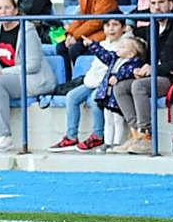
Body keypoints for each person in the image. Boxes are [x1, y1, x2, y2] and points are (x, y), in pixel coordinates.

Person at [110, 0, 173, 154]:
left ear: (171, 4)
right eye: (153, 3)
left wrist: (155, 69)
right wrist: (139, 70)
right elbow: (148, 59)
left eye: (161, 2)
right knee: (120, 87)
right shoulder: (153, 25)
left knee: (139, 86)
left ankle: (147, 137)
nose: (156, 7)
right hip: (156, 76)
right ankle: (136, 133)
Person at [0, 0, 58, 152]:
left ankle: (4, 136)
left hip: (33, 79)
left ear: (15, 10)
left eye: (7, 8)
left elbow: (32, 65)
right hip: (9, 77)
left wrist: (2, 72)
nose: (3, 12)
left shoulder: (27, 29)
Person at [49, 16, 128, 152]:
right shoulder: (103, 43)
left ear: (124, 28)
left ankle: (98, 135)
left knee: (94, 99)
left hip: (108, 84)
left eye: (115, 25)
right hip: (92, 82)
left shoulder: (126, 45)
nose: (111, 29)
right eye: (107, 25)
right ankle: (71, 137)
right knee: (71, 96)